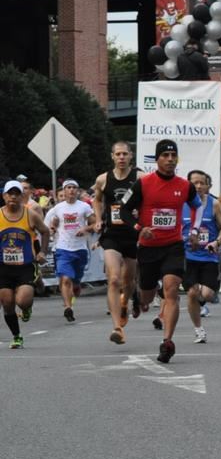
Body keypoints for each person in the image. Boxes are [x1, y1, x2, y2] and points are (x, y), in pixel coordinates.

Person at [122, 139, 203, 362]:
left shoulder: (185, 185)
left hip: (173, 245)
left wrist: (194, 230)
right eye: (165, 156)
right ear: (157, 159)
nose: (169, 160)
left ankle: (167, 342)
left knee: (171, 290)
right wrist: (139, 228)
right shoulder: (143, 183)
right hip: (149, 248)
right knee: (148, 298)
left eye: (173, 156)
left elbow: (199, 205)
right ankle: (140, 296)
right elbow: (124, 211)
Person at [92, 141, 141, 336]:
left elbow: (150, 200)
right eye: (118, 154)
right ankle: (117, 327)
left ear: (131, 156)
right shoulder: (103, 179)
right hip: (112, 235)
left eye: (125, 154)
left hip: (133, 235)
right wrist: (97, 218)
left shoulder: (140, 178)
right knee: (113, 279)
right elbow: (96, 199)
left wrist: (140, 212)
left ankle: (126, 300)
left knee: (127, 281)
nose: (121, 158)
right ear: (112, 157)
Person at [1, 180, 50, 348]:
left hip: (25, 266)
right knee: (7, 303)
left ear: (22, 196)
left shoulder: (30, 215)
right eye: (10, 193)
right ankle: (17, 336)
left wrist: (43, 251)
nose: (13, 197)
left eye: (16, 193)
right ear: (4, 196)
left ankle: (27, 307)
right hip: (3, 267)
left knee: (22, 301)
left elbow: (45, 231)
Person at [182, 170, 221, 345]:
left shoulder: (214, 204)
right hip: (188, 255)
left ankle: (200, 302)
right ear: (188, 185)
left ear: (208, 186)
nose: (199, 186)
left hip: (209, 256)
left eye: (202, 183)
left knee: (207, 294)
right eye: (195, 183)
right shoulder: (182, 204)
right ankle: (198, 330)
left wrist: (216, 242)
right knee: (192, 292)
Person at [44, 179, 98, 323]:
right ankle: (68, 307)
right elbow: (51, 223)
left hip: (80, 249)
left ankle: (76, 285)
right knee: (65, 278)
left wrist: (85, 228)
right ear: (64, 190)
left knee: (75, 283)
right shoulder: (58, 208)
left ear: (78, 191)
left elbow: (95, 223)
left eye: (74, 187)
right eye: (68, 187)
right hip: (63, 248)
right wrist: (53, 229)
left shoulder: (84, 207)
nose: (71, 190)